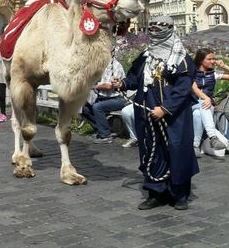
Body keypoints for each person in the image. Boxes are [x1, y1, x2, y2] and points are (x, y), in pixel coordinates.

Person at [113, 16, 198, 211]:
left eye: (160, 27)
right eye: (151, 27)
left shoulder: (181, 58)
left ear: (169, 29)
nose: (154, 30)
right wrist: (123, 83)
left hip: (174, 117)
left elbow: (183, 88)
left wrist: (165, 108)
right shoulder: (146, 55)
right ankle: (155, 193)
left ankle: (180, 195)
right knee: (152, 150)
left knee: (176, 150)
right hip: (148, 114)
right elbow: (135, 77)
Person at [191, 48, 229, 157]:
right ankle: (213, 137)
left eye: (214, 59)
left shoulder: (214, 74)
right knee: (203, 104)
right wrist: (206, 98)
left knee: (198, 114)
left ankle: (195, 145)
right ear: (200, 60)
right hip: (192, 104)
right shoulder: (191, 73)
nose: (213, 61)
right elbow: (194, 89)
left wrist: (224, 66)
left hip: (206, 107)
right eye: (209, 59)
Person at [81, 58, 127, 144]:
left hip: (118, 98)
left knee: (97, 107)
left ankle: (106, 136)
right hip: (103, 97)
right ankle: (102, 129)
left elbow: (109, 86)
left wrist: (93, 87)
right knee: (84, 108)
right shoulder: (101, 65)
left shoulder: (115, 66)